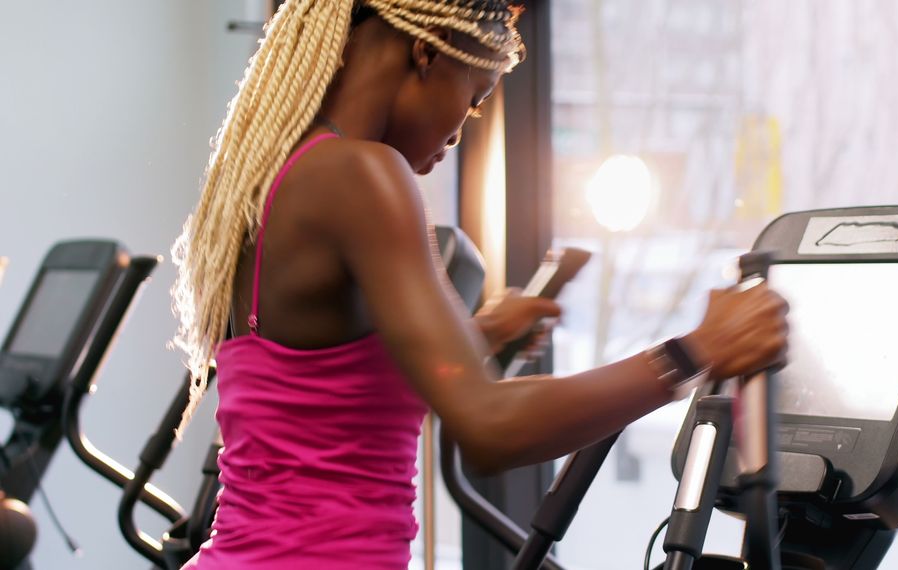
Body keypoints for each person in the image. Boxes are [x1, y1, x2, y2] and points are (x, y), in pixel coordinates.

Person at [170, 1, 789, 568]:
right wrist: (695, 352)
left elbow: (317, 389)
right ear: (429, 49)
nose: (462, 128)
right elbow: (491, 429)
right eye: (474, 97)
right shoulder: (361, 172)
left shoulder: (283, 173)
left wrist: (476, 335)